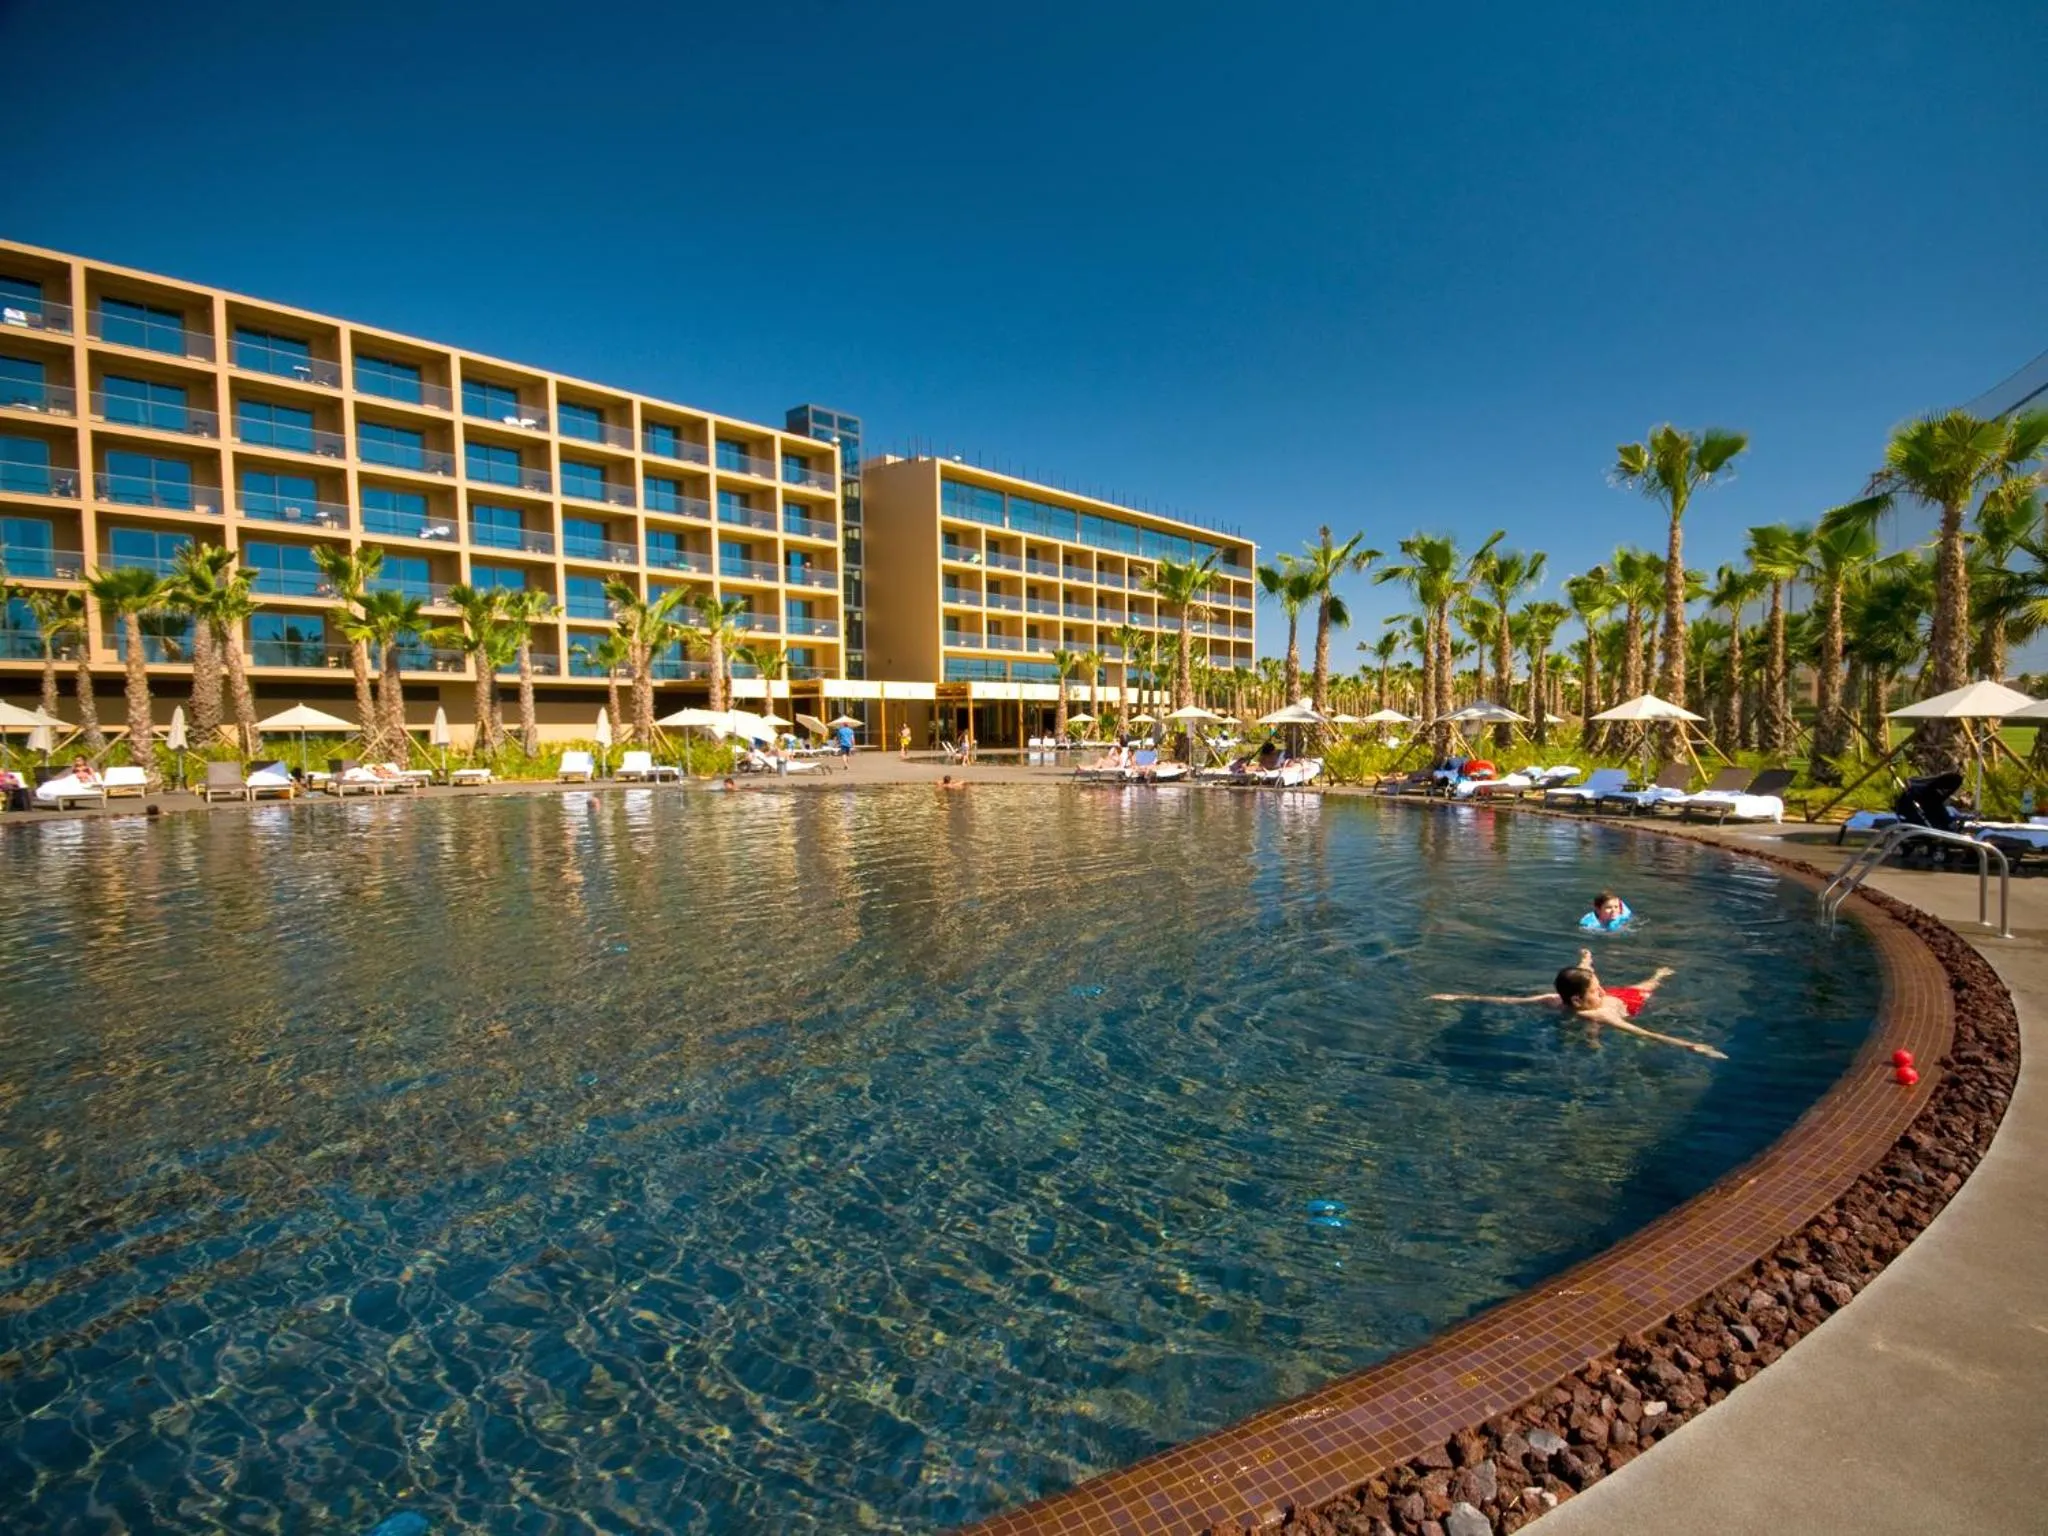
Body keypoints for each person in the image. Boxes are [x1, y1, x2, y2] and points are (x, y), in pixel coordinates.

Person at [1429, 950, 1725, 1058]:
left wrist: (1690, 1045)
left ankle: (1659, 973)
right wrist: (1459, 997)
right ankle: (1587, 965)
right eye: (1596, 990)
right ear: (1574, 1000)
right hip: (1592, 1004)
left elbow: (1645, 1035)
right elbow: (1509, 1000)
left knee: (1645, 987)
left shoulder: (1599, 1010)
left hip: (1626, 1003)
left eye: (1596, 988)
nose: (1600, 991)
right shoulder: (1552, 1001)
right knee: (1589, 1032)